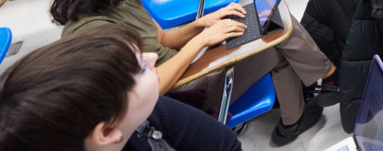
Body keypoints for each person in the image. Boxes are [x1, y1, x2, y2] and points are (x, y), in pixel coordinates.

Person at [50, 0, 337, 147]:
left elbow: (163, 38)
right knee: (275, 37)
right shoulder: (93, 31)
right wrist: (203, 40)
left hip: (185, 67)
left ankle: (314, 89)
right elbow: (144, 93)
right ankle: (311, 98)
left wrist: (203, 23)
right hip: (181, 94)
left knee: (267, 23)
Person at [0, 23, 243, 151]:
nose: (151, 57)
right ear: (106, 133)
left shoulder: (135, 112)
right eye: (140, 68)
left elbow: (225, 145)